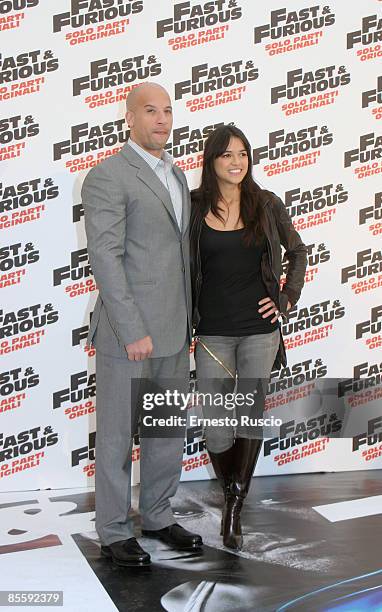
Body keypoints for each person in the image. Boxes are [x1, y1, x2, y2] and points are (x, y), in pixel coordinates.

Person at [81, 82, 202, 567]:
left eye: (168, 111)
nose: (162, 120)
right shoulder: (108, 176)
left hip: (174, 330)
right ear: (128, 118)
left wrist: (191, 320)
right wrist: (132, 328)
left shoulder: (177, 176)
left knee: (166, 431)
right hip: (126, 334)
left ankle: (156, 514)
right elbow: (106, 258)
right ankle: (112, 531)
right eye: (151, 111)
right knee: (115, 435)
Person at [190, 125, 307, 551]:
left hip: (260, 332)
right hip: (212, 333)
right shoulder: (193, 206)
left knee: (248, 416)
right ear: (212, 161)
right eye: (227, 155)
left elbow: (298, 251)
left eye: (242, 154)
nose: (236, 162)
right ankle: (231, 489)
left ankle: (233, 507)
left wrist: (285, 298)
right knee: (218, 425)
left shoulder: (266, 203)